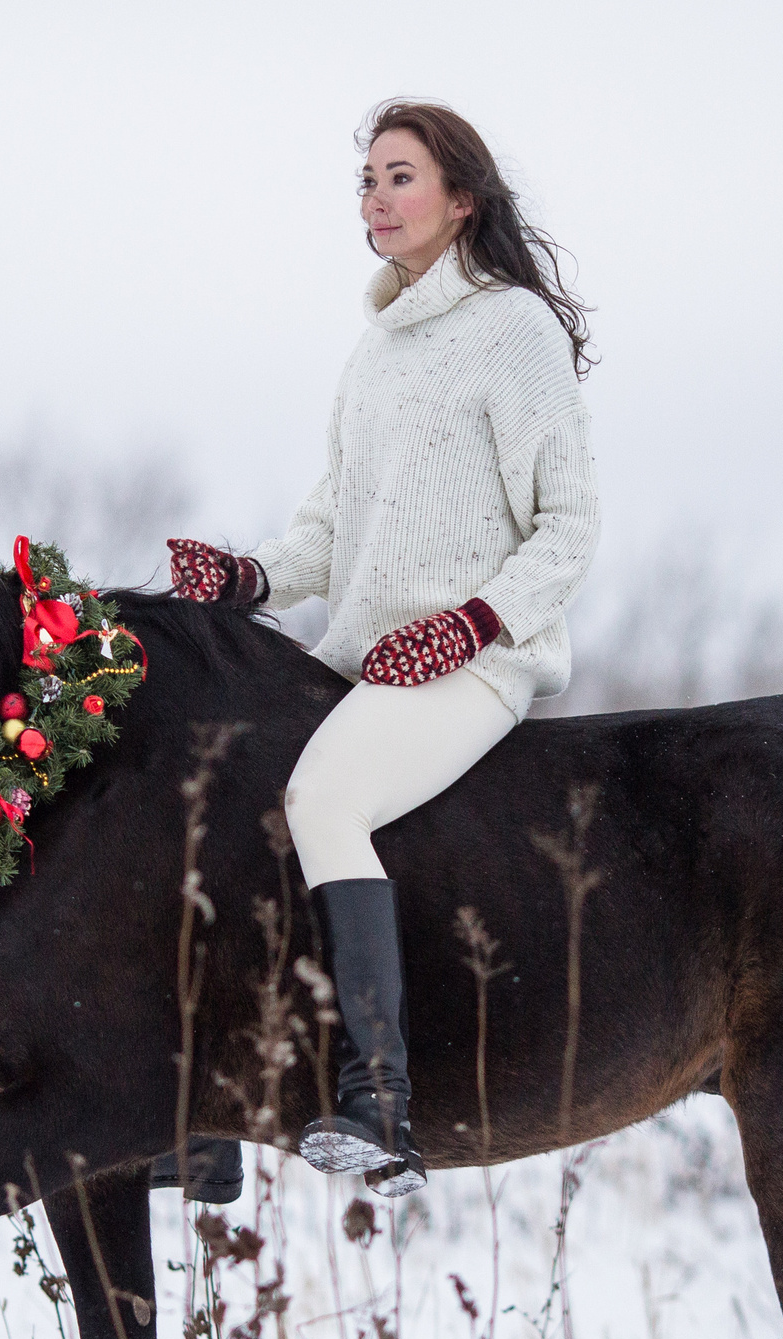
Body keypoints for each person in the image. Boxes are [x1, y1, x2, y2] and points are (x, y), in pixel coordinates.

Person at [165, 99, 599, 1198]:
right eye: (365, 180)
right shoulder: (374, 351)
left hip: (475, 665)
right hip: (362, 663)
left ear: (462, 199)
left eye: (399, 176)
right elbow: (330, 525)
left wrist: (471, 623)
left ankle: (382, 1106)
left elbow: (568, 527)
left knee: (321, 803)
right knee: (217, 784)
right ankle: (209, 1119)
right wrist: (249, 577)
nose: (375, 197)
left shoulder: (516, 330)